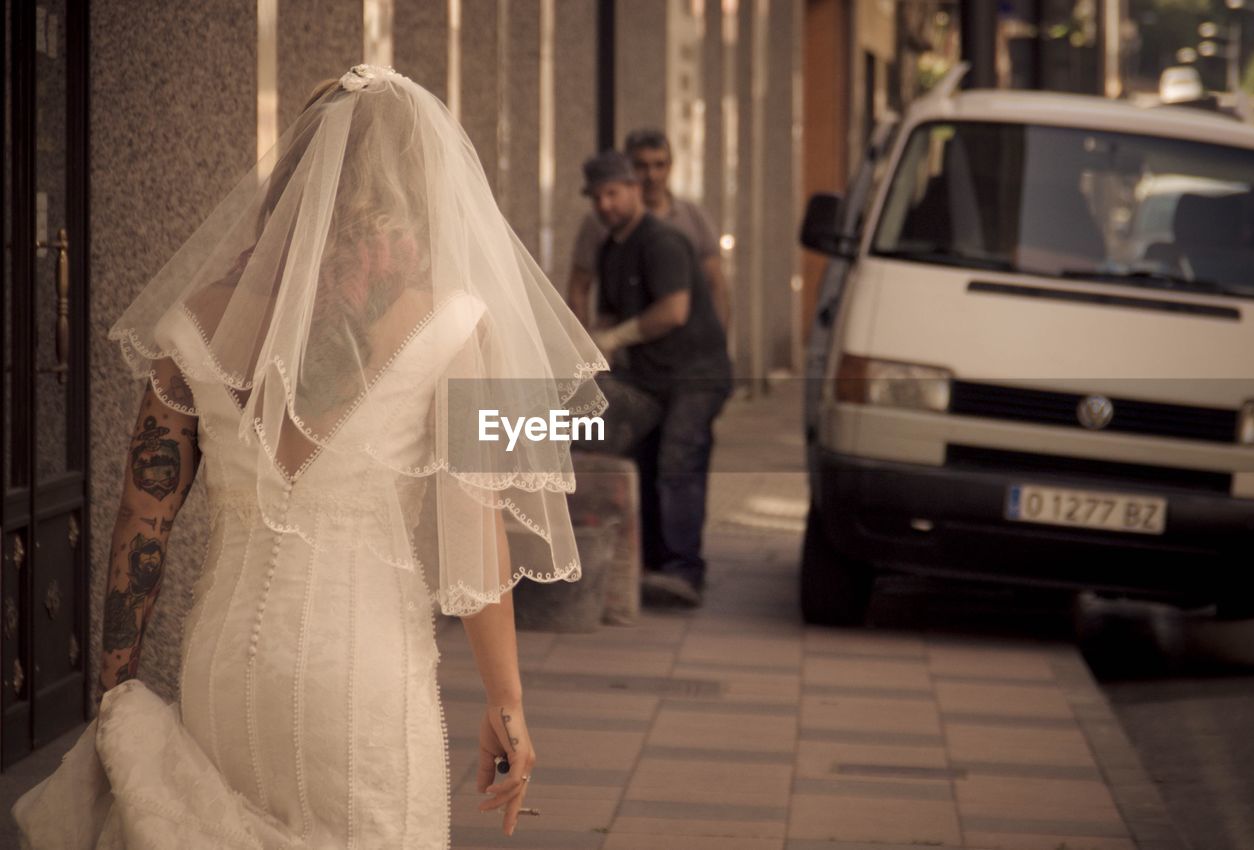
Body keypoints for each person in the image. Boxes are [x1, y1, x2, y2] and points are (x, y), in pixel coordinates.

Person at [12, 64, 606, 849]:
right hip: (359, 679)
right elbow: (478, 527)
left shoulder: (198, 320)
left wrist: (116, 691)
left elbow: (140, 523)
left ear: (294, 175)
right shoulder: (460, 326)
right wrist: (508, 704)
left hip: (223, 673)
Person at [582, 151, 732, 608]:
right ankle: (648, 564)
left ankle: (683, 570)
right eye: (597, 196)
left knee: (677, 460)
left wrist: (615, 336)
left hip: (694, 375)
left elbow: (673, 311)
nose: (606, 204)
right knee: (636, 458)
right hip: (647, 377)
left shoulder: (663, 241)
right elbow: (608, 310)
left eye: (613, 193)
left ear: (634, 189)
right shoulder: (610, 248)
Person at [567, 128, 731, 331]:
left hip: (685, 344)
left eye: (659, 165)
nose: (651, 175)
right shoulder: (602, 221)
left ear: (670, 167)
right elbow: (579, 287)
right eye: (641, 166)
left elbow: (714, 283)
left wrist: (718, 337)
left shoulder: (692, 217)